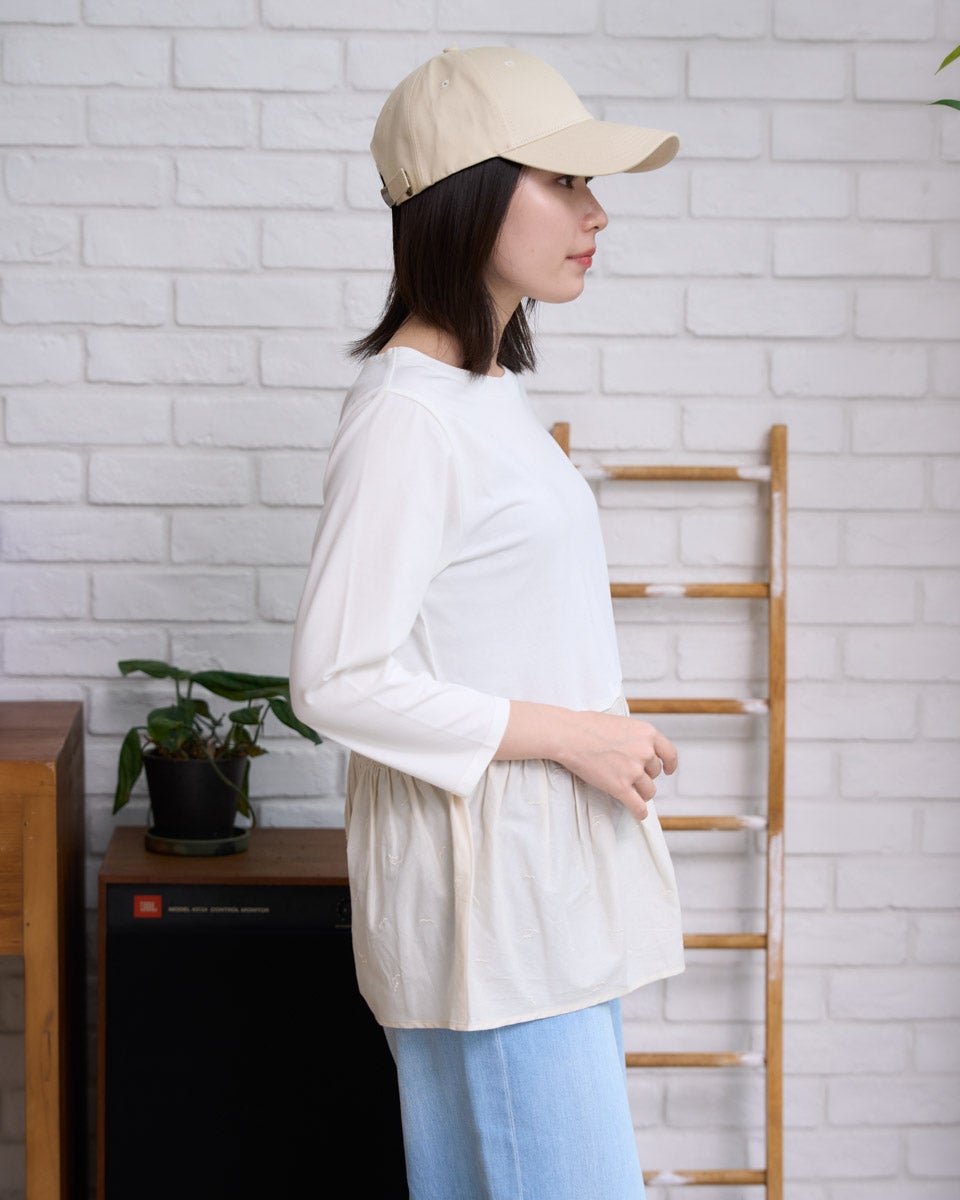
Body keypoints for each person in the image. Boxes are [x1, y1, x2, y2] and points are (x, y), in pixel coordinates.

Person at [289, 44, 685, 1200]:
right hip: (494, 920)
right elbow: (335, 679)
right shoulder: (410, 417)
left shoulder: (483, 393)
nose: (594, 212)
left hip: (534, 907)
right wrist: (575, 734)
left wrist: (591, 734)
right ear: (464, 194)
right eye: (562, 181)